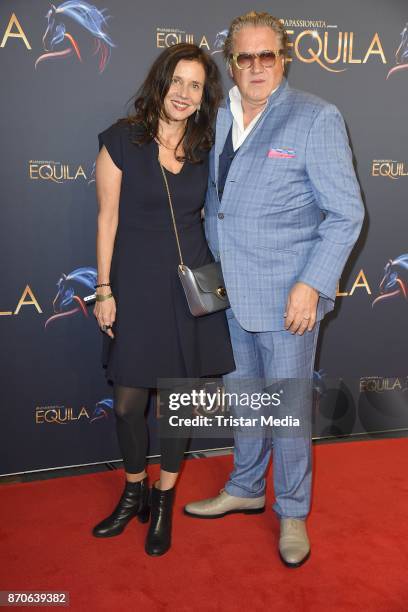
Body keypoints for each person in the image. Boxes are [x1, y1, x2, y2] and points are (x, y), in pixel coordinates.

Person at [184, 12, 365, 568]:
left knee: (285, 410)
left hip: (288, 296)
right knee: (246, 401)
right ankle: (244, 486)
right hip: (229, 294)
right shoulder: (215, 118)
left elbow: (346, 212)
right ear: (230, 63)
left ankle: (291, 509)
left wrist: (311, 284)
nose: (257, 67)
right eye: (245, 57)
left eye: (268, 56)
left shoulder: (315, 117)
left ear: (283, 58)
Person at [92, 43, 235, 556]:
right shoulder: (121, 140)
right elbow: (107, 219)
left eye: (195, 85)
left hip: (188, 289)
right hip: (133, 283)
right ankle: (134, 491)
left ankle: (164, 498)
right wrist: (103, 289)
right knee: (129, 405)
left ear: (204, 97)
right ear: (161, 81)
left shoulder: (207, 145)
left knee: (180, 405)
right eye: (177, 81)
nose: (183, 93)